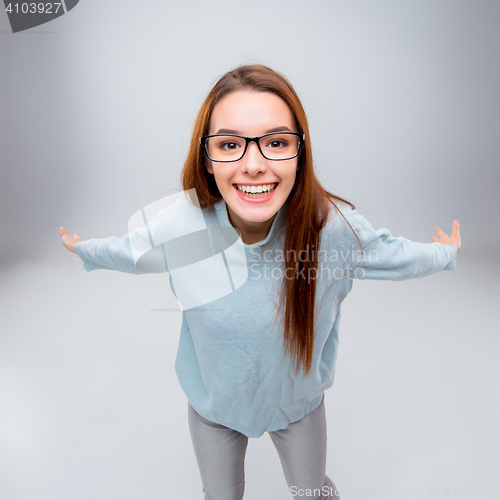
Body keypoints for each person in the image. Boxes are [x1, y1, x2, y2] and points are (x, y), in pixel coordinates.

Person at [60, 64, 461, 500]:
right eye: (230, 144)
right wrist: (85, 250)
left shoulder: (334, 231)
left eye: (275, 142)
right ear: (207, 159)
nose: (254, 165)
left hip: (298, 408)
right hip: (215, 409)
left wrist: (446, 253)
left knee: (313, 494)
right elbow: (129, 251)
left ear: (299, 154)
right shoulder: (183, 229)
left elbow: (399, 255)